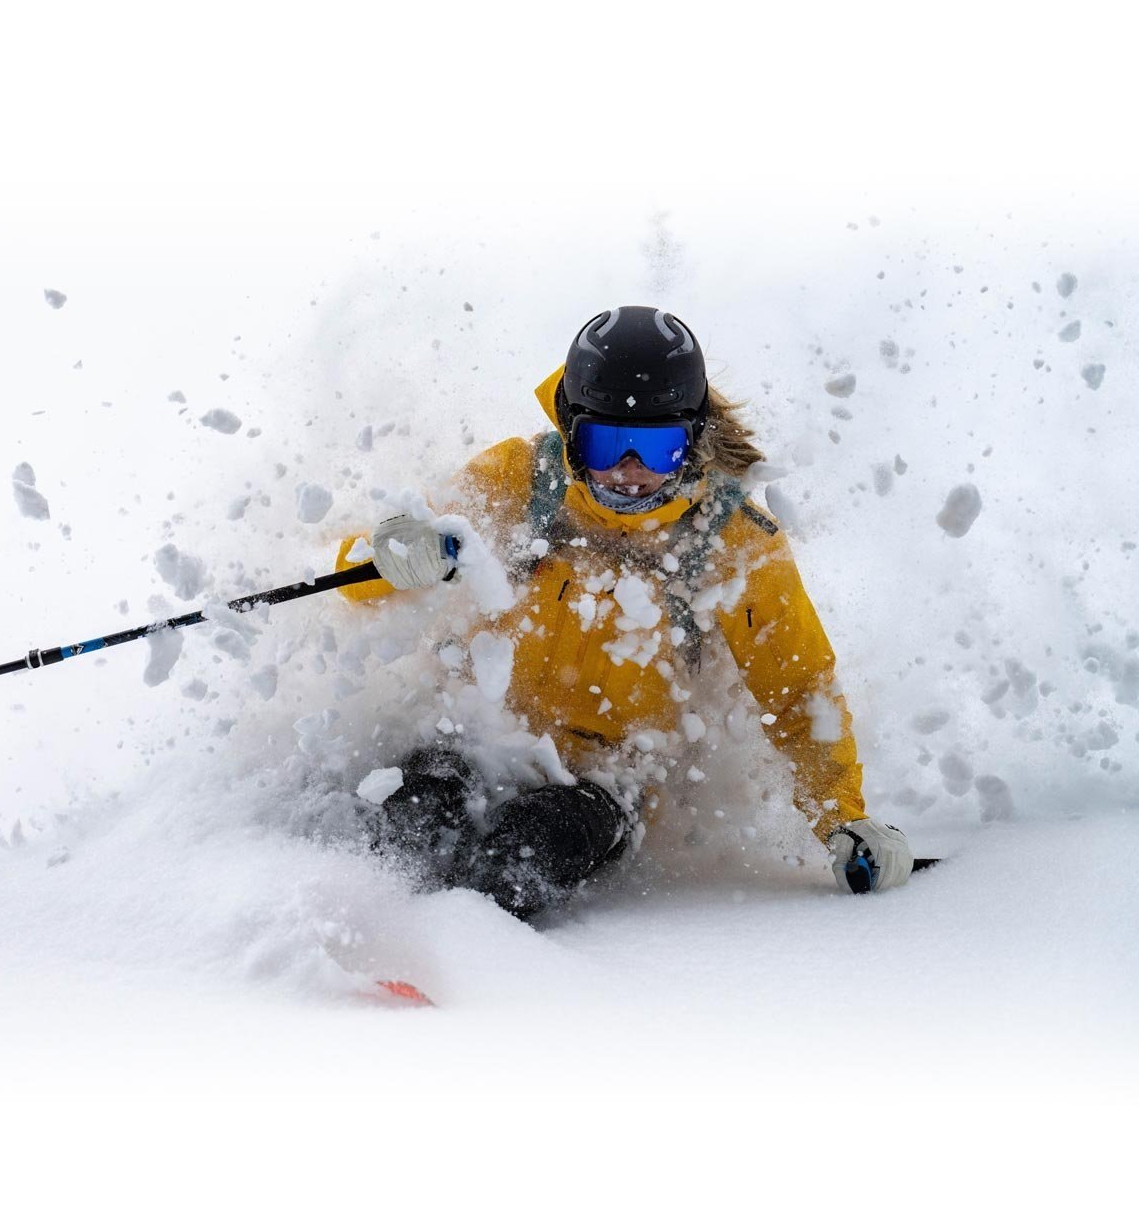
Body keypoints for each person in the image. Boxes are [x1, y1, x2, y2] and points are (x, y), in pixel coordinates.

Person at [337, 306, 912, 917]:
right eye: (606, 442)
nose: (630, 470)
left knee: (526, 855)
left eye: (659, 447)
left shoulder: (732, 542)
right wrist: (397, 552)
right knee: (411, 821)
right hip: (480, 737)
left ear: (694, 439)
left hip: (608, 782)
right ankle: (373, 928)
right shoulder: (522, 480)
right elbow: (358, 572)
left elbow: (798, 691)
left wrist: (843, 818)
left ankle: (473, 955)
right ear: (570, 430)